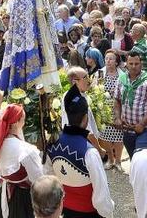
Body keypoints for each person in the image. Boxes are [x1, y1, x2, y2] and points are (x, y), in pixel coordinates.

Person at [47, 84, 114, 218]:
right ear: (85, 118)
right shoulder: (89, 152)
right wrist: (107, 213)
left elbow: (48, 177)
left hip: (64, 209)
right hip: (88, 212)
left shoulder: (52, 144)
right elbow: (101, 192)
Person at [0, 0, 62, 91]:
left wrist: (45, 10)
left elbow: (41, 0)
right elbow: (21, 7)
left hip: (42, 21)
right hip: (32, 23)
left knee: (47, 48)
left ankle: (51, 84)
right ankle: (35, 82)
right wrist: (35, 11)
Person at [0, 104, 43, 218]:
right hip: (21, 198)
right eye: (23, 120)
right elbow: (38, 180)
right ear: (17, 122)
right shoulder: (26, 150)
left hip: (1, 193)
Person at [113, 50, 147, 158]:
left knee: (141, 158)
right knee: (133, 159)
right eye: (131, 63)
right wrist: (117, 118)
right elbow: (117, 100)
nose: (134, 66)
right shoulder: (122, 80)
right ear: (126, 64)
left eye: (136, 64)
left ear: (141, 64)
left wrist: (142, 124)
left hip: (145, 130)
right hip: (127, 129)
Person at [97, 52, 124, 170]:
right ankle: (110, 159)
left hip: (118, 108)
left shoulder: (123, 75)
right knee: (105, 135)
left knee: (119, 136)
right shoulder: (100, 73)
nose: (108, 61)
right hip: (104, 108)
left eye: (111, 59)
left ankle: (118, 161)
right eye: (106, 58)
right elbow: (95, 89)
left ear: (116, 62)